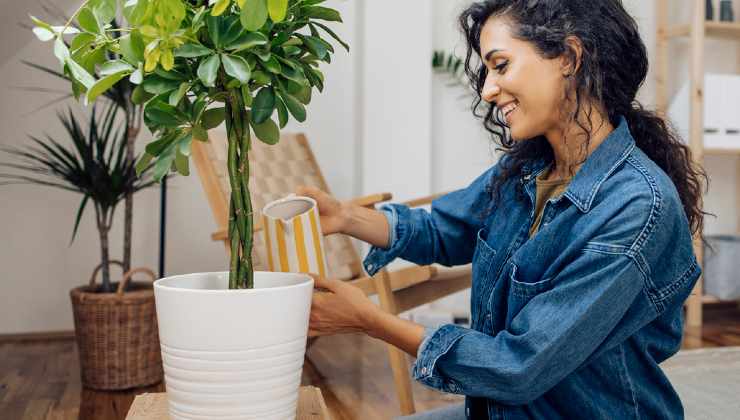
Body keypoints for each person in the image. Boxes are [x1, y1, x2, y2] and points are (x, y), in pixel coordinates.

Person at [297, 0, 709, 418]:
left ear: (568, 57)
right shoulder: (526, 171)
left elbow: (517, 367)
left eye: (501, 65)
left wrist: (369, 319)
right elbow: (444, 229)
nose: (487, 89)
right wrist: (346, 217)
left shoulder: (635, 206)